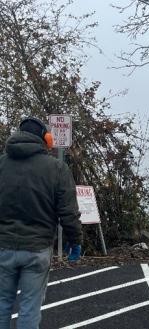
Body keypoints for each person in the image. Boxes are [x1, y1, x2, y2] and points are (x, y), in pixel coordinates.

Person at [0, 117, 82, 329]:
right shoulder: (56, 168)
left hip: (3, 247)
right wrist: (75, 240)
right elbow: (68, 212)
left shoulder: (1, 164)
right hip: (37, 248)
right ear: (45, 140)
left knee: (2, 304)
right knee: (30, 307)